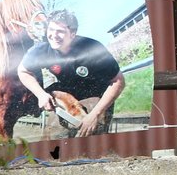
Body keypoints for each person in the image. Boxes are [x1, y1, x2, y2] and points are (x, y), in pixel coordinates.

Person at [16, 8, 125, 137]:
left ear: (72, 34)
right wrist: (40, 94)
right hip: (65, 99)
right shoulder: (40, 51)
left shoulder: (93, 49)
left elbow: (118, 81)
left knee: (91, 139)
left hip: (95, 99)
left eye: (60, 31)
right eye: (51, 30)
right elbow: (23, 71)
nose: (54, 35)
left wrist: (96, 115)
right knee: (55, 139)